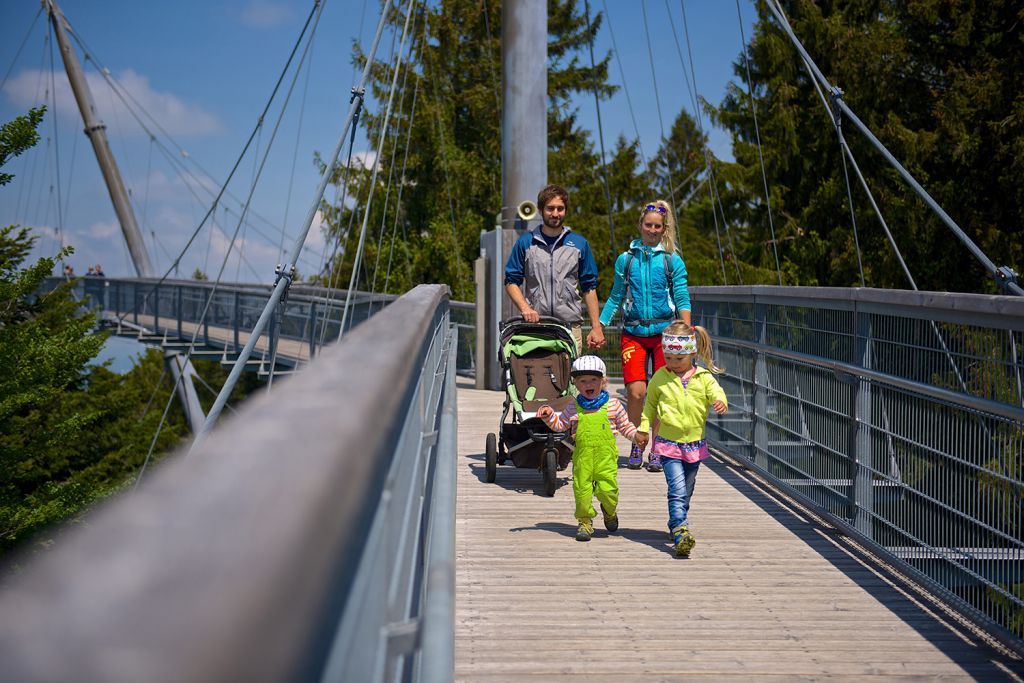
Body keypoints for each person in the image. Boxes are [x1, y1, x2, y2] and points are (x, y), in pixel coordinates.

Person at [595, 199, 691, 472]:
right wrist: (600, 325)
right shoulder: (626, 260)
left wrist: (687, 332)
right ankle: (638, 440)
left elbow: (682, 297)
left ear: (664, 229)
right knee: (637, 393)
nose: (651, 230)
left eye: (657, 227)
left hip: (665, 334)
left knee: (661, 393)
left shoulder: (672, 261)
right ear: (640, 226)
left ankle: (658, 449)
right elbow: (615, 296)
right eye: (647, 225)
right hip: (634, 333)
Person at [635, 322, 728, 558]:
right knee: (676, 489)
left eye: (678, 359)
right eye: (668, 358)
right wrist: (644, 429)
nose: (673, 363)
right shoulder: (660, 377)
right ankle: (680, 529)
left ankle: (677, 521)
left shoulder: (704, 378)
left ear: (692, 353)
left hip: (695, 443)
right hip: (667, 443)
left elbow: (716, 392)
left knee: (687, 487)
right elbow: (650, 406)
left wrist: (720, 402)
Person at [537, 355, 639, 542]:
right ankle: (585, 521)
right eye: (582, 381)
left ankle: (609, 511)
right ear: (575, 384)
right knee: (582, 491)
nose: (588, 384)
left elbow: (625, 426)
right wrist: (549, 415)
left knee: (608, 491)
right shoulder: (573, 407)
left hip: (605, 459)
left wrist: (636, 436)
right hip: (582, 459)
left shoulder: (613, 405)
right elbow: (560, 425)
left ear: (603, 381)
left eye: (593, 380)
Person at [504, 184, 605, 353]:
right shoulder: (525, 242)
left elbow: (589, 287)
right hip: (536, 326)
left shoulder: (579, 244)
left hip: (569, 326)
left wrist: (596, 327)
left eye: (560, 209)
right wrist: (526, 309)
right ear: (540, 210)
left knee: (569, 378)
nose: (556, 214)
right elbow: (510, 282)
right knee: (536, 377)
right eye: (550, 208)